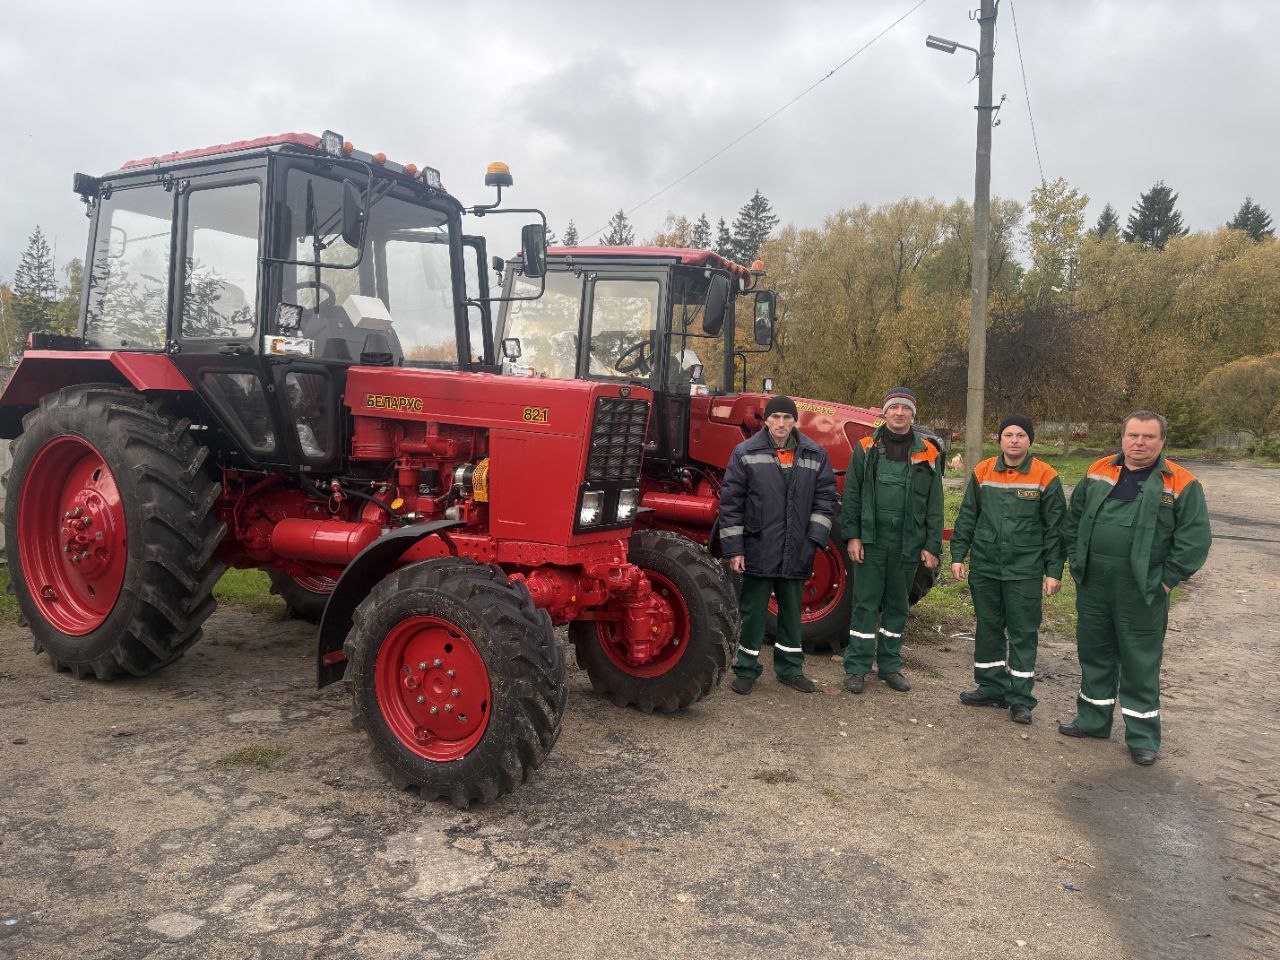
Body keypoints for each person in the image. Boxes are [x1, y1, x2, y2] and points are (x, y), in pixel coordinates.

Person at [1058, 411, 1211, 765]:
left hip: (1143, 589)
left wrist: (1167, 578)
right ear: (1123, 438)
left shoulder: (1181, 483)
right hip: (1094, 583)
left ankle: (1142, 736)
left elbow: (1195, 540)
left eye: (1148, 437)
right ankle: (1092, 720)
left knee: (1140, 660)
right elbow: (1075, 518)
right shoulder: (1098, 471)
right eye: (1133, 436)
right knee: (1094, 652)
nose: (1139, 443)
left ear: (1162, 442)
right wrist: (1075, 558)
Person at [949, 415, 1066, 724]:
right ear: (999, 440)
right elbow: (968, 516)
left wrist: (1054, 571)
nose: (1014, 440)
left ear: (1030, 441)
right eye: (1008, 435)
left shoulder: (1046, 477)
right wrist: (958, 554)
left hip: (1024, 570)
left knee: (1023, 632)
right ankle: (991, 687)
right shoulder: (983, 471)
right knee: (988, 627)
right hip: (986, 567)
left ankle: (1020, 698)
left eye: (1021, 435)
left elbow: (1056, 530)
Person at [719, 395, 838, 695]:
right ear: (767, 420)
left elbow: (825, 501)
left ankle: (790, 669)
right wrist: (734, 549)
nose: (781, 424)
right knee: (753, 611)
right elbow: (731, 504)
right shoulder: (745, 453)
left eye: (787, 418)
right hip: (759, 545)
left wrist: (813, 539)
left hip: (797, 548)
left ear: (795, 421)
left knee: (791, 612)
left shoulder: (815, 454)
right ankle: (746, 669)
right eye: (776, 418)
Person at [841, 387, 943, 693]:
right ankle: (857, 667)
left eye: (905, 409)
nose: (899, 413)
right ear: (884, 413)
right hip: (872, 541)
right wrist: (853, 536)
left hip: (907, 543)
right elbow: (852, 495)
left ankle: (890, 666)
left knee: (898, 606)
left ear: (913, 414)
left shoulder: (928, 453)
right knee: (864, 604)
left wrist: (932, 545)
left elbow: (935, 505)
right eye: (894, 408)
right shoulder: (865, 448)